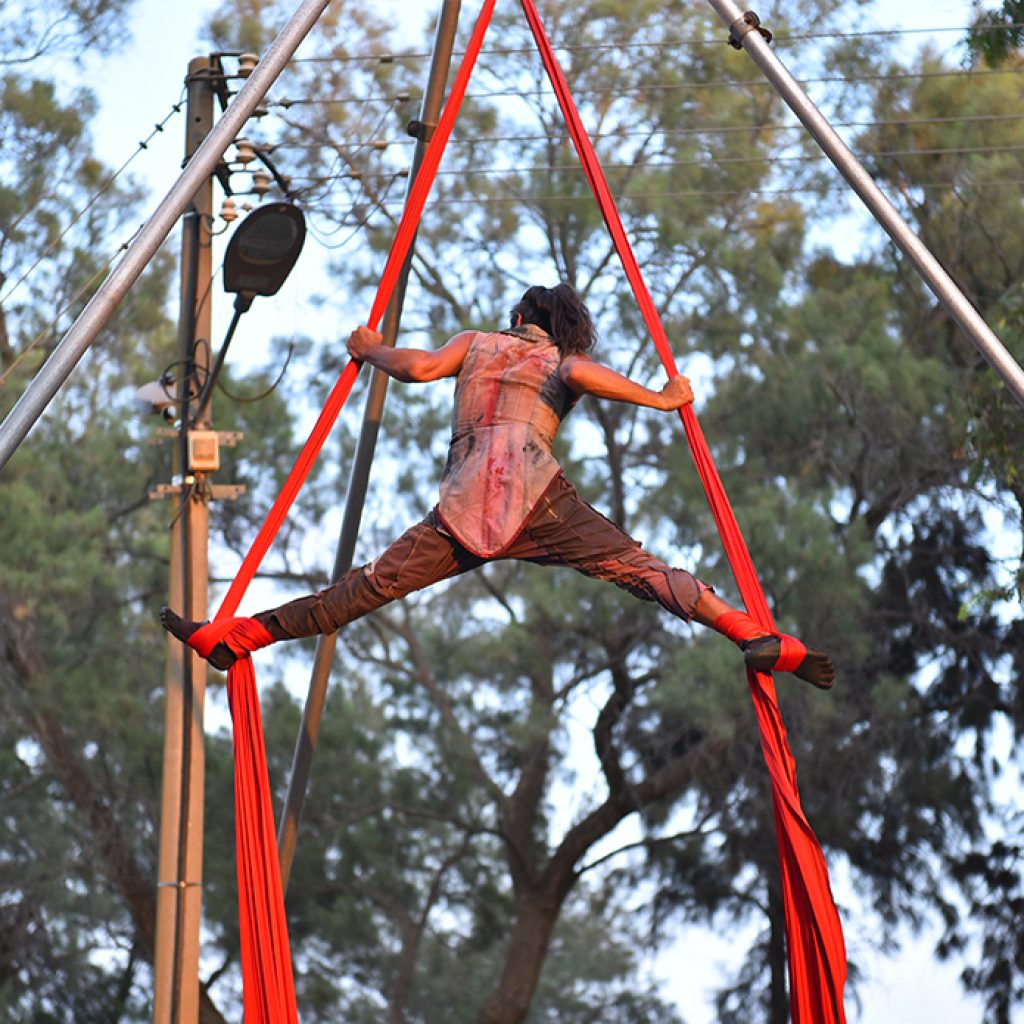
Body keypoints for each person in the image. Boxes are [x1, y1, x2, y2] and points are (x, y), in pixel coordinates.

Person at [162, 283, 834, 688]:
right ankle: (749, 632)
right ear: (563, 327)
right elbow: (582, 378)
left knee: (358, 590)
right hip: (539, 502)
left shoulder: (477, 343)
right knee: (642, 570)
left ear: (519, 315)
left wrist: (369, 350)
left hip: (461, 510)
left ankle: (236, 637)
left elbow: (420, 369)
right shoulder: (559, 359)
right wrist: (660, 399)